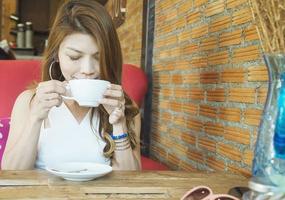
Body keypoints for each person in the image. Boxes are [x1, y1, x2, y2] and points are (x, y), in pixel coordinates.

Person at [2, 0, 141, 170]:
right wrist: (34, 119)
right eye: (75, 57)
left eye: (99, 57)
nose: (88, 70)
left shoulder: (125, 107)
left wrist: (119, 125)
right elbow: (12, 173)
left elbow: (129, 181)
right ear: (57, 55)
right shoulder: (28, 101)